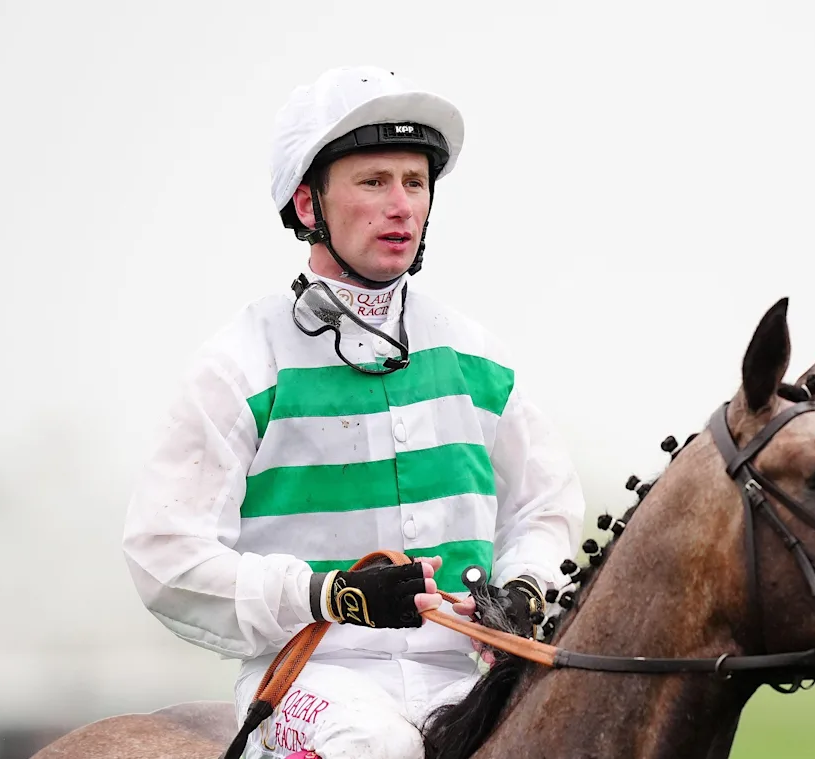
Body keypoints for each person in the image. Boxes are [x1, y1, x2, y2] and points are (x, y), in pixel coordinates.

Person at [121, 64, 585, 759]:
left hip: (466, 672)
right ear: (309, 205)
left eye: (415, 182)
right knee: (377, 747)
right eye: (374, 182)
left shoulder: (476, 357)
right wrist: (326, 594)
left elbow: (546, 507)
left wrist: (522, 586)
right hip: (313, 678)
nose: (401, 205)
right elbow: (165, 556)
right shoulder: (240, 365)